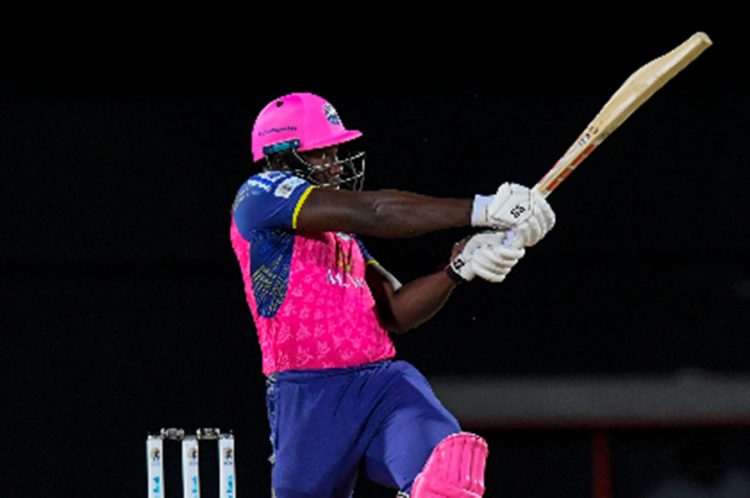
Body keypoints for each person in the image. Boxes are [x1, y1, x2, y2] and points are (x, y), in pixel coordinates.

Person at [229, 92, 555, 498]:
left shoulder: (340, 235)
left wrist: (457, 269)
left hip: (383, 386)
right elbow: (377, 212)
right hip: (308, 397)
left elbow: (397, 311)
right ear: (280, 158)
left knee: (449, 472)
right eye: (320, 155)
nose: (334, 165)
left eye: (335, 152)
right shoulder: (258, 197)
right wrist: (483, 208)